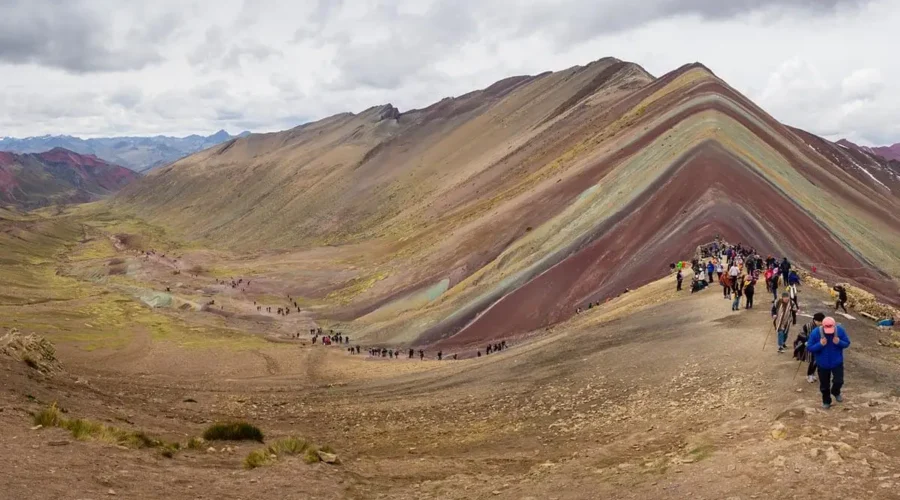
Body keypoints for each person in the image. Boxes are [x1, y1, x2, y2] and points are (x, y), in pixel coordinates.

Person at [807, 317, 850, 409]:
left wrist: (839, 342)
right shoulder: (815, 332)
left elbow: (847, 343)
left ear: (835, 326)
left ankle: (835, 391)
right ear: (822, 326)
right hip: (822, 363)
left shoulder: (840, 331)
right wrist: (820, 344)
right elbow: (810, 348)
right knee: (824, 385)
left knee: (839, 381)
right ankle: (826, 401)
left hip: (837, 362)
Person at [794, 313, 824, 383]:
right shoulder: (807, 326)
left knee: (816, 361)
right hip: (810, 346)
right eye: (819, 321)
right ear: (814, 320)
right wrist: (806, 341)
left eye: (821, 321)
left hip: (819, 345)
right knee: (813, 360)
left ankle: (812, 374)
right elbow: (801, 334)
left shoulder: (822, 326)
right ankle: (809, 375)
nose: (820, 323)